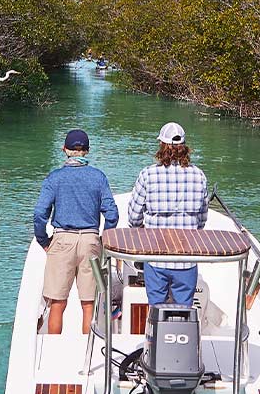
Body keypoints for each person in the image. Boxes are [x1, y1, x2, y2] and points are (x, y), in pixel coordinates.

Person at [30, 127, 119, 334]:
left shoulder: (54, 178)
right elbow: (112, 214)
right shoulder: (98, 177)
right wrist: (103, 241)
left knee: (57, 303)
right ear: (87, 151)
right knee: (89, 304)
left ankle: (53, 351)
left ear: (64, 150)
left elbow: (39, 213)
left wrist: (44, 241)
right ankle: (86, 354)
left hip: (62, 241)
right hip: (90, 241)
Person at [125, 122, 210, 306]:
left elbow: (133, 217)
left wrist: (140, 228)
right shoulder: (199, 175)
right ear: (185, 148)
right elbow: (202, 219)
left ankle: (156, 333)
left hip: (156, 259)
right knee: (184, 308)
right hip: (186, 260)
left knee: (156, 309)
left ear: (161, 146)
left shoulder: (148, 174)